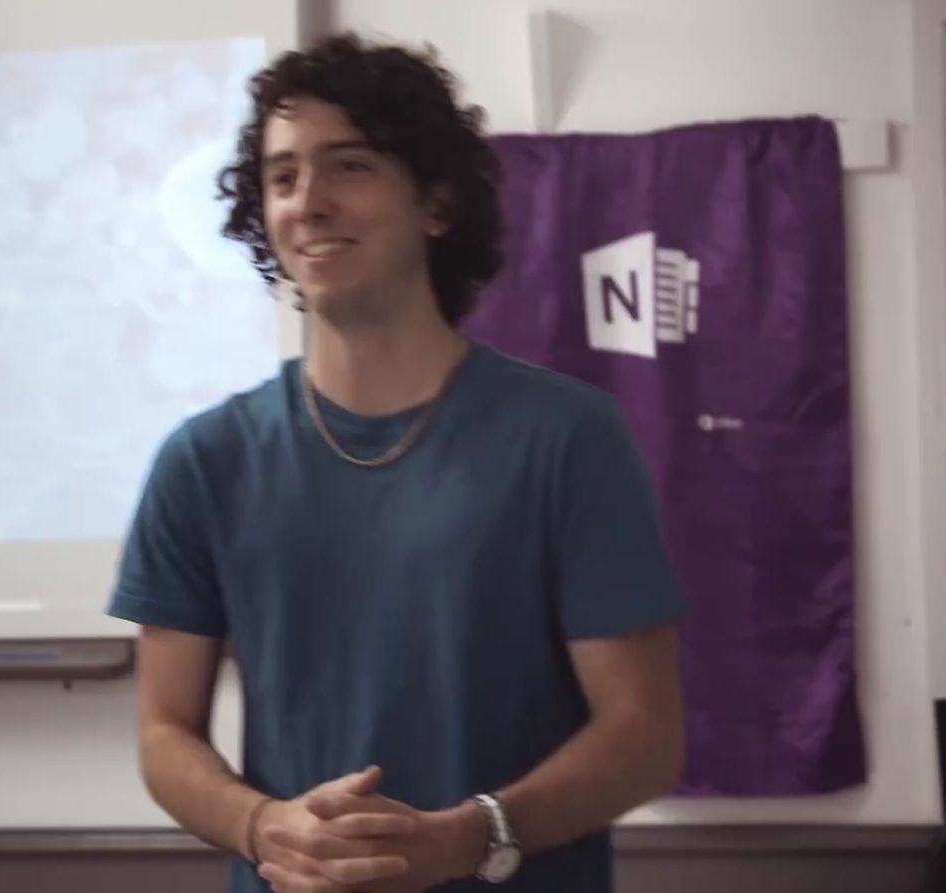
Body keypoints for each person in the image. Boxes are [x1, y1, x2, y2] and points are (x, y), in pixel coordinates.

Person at [107, 33, 687, 893]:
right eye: (282, 175)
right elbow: (164, 733)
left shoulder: (567, 437)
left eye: (350, 166)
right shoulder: (206, 460)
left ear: (437, 202)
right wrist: (264, 825)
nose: (309, 201)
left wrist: (474, 835)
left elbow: (643, 737)